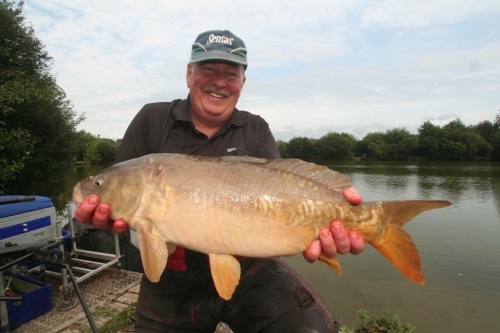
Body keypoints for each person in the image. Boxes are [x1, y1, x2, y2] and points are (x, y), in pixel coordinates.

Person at [75, 30, 365, 333]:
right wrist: (107, 216)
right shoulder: (152, 119)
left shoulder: (255, 128)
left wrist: (329, 220)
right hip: (172, 283)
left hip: (250, 268)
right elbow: (119, 205)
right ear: (189, 73)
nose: (219, 82)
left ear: (242, 82)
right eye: (208, 70)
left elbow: (283, 203)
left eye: (231, 73)